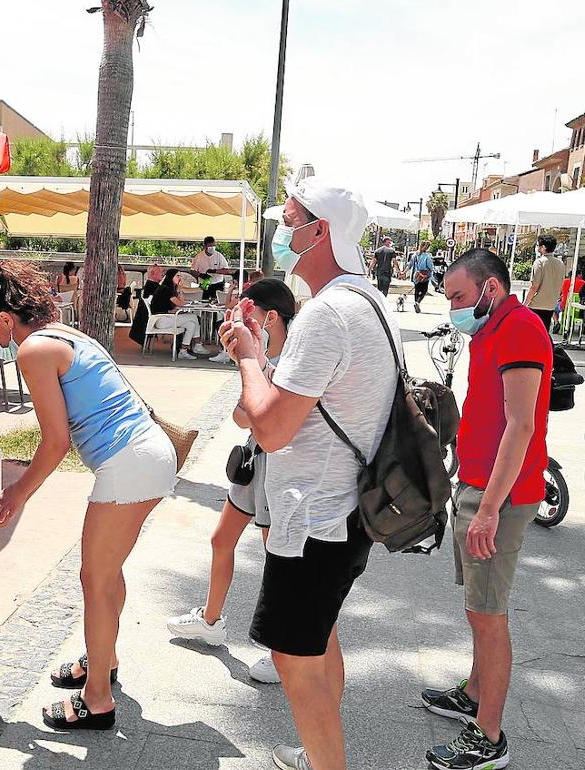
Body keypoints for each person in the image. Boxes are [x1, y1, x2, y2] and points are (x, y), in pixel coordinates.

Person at [219, 177, 398, 770]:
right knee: (319, 641)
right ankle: (320, 753)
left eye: (290, 220)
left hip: (315, 515)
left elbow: (268, 428)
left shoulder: (327, 315)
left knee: (295, 656)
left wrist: (248, 357)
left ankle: (327, 762)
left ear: (319, 231)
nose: (281, 232)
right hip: (347, 509)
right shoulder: (369, 302)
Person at [0, 261, 178, 732]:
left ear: (6, 319)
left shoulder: (32, 350)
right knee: (105, 574)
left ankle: (98, 699)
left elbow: (54, 441)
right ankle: (102, 660)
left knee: (95, 579)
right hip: (147, 453)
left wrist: (18, 494)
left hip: (129, 462)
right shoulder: (66, 333)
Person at [420, 248, 551, 770]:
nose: (452, 306)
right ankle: (474, 694)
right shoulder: (491, 330)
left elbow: (520, 426)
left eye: (458, 296)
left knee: (488, 614)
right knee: (478, 606)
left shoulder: (518, 328)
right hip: (477, 486)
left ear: (490, 289)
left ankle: (489, 735)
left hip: (499, 496)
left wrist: (490, 508)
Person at [167, 278, 296, 683]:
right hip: (255, 462)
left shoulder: (293, 358)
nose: (239, 324)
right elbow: (243, 416)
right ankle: (210, 621)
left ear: (268, 317)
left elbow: (254, 415)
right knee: (222, 539)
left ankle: (281, 652)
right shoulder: (264, 357)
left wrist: (253, 364)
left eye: (246, 315)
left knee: (276, 560)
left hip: (278, 467)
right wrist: (249, 362)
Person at [148, 269, 210, 359]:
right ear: (171, 277)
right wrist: (180, 289)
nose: (180, 278)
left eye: (180, 276)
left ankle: (183, 350)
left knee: (191, 324)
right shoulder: (166, 289)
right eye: (177, 276)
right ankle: (197, 345)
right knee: (194, 317)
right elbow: (181, 303)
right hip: (161, 320)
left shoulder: (169, 288)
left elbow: (177, 304)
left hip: (166, 318)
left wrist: (179, 289)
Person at [525, 235, 566, 332]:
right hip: (551, 304)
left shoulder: (539, 263)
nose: (537, 247)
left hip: (536, 304)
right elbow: (561, 284)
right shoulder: (560, 264)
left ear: (543, 247)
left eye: (538, 245)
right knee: (544, 332)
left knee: (531, 332)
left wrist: (525, 303)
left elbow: (534, 287)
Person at [191, 236, 233, 302]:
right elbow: (192, 271)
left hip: (217, 284)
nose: (212, 248)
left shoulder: (219, 256)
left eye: (213, 245)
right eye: (210, 246)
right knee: (203, 302)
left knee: (217, 303)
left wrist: (215, 271)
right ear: (205, 246)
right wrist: (201, 275)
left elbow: (227, 271)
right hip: (204, 284)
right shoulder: (199, 257)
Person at [409, 241, 435, 313]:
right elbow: (430, 266)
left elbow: (410, 265)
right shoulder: (427, 256)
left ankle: (415, 302)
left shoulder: (414, 255)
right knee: (424, 290)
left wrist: (403, 273)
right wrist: (431, 271)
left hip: (416, 275)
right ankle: (418, 302)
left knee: (417, 290)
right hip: (424, 275)